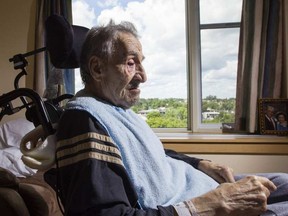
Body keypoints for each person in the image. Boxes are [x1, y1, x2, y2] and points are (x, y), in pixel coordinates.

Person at [48, 21, 288, 215]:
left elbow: (154, 155)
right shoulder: (85, 119)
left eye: (141, 63)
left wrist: (200, 164)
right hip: (198, 203)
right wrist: (210, 204)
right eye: (131, 63)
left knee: (283, 180)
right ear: (97, 69)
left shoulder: (116, 110)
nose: (143, 76)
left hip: (200, 185)